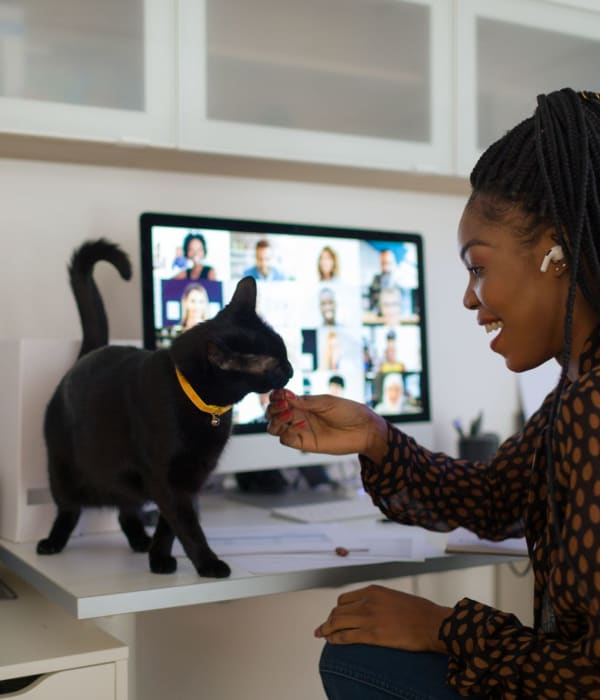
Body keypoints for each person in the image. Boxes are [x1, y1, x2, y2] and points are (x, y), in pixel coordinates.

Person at [266, 88, 600, 699]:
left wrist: (446, 627)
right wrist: (376, 438)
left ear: (555, 252)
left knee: (355, 658)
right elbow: (499, 498)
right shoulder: (576, 386)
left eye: (477, 267)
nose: (469, 299)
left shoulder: (593, 404)